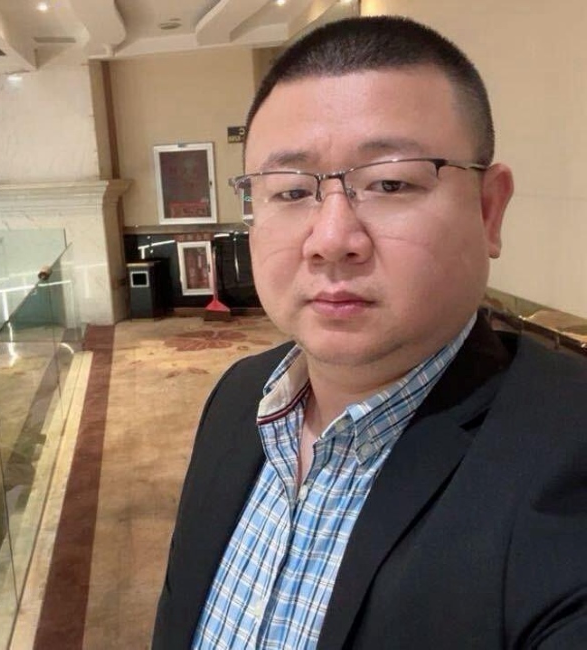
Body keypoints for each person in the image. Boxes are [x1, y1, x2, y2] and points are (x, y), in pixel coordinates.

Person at [152, 15, 587, 650]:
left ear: (488, 210)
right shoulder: (238, 397)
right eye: (290, 191)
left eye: (390, 183)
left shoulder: (567, 458)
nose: (331, 240)